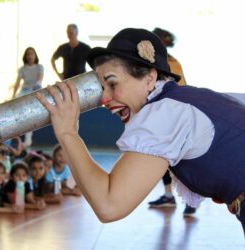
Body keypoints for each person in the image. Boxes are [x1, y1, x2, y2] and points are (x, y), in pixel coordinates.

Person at [37, 28, 245, 236]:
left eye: (112, 83)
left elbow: (109, 205)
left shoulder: (165, 113)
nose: (104, 99)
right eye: (102, 89)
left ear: (149, 79)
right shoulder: (190, 100)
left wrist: (68, 134)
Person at [148, 27, 196, 216]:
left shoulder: (171, 63)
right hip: (162, 116)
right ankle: (168, 196)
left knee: (182, 161)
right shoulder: (157, 62)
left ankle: (192, 199)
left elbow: (180, 91)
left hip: (176, 117)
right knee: (163, 159)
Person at [12, 47, 44, 147]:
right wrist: (13, 95)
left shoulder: (40, 67)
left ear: (35, 56)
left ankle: (28, 139)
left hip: (35, 91)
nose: (30, 56)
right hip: (24, 92)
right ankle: (13, 138)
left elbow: (40, 79)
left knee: (29, 115)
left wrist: (37, 85)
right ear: (26, 56)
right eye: (28, 54)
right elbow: (17, 83)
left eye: (32, 54)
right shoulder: (22, 69)